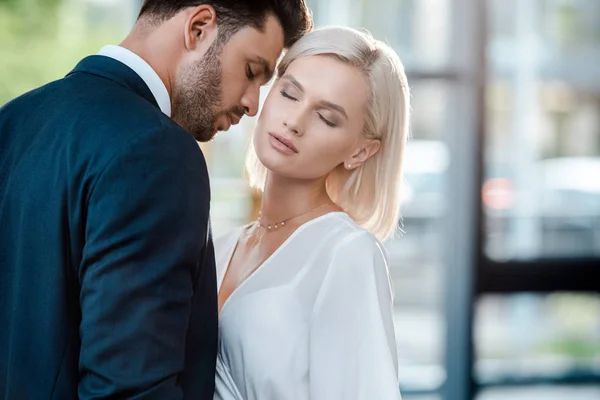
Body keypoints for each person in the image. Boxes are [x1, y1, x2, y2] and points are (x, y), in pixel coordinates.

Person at [0, 0, 312, 399]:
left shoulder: (14, 119)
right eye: (252, 72)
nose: (252, 104)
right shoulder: (160, 152)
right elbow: (131, 389)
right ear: (199, 28)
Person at [214, 26, 410, 400]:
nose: (294, 122)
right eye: (289, 93)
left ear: (360, 152)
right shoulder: (219, 249)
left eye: (327, 118)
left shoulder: (347, 254)